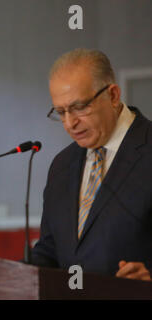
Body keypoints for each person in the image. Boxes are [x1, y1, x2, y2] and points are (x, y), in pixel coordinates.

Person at [31, 48, 152, 281]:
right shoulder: (61, 165)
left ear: (113, 95)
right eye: (60, 112)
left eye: (79, 107)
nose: (70, 123)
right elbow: (50, 250)